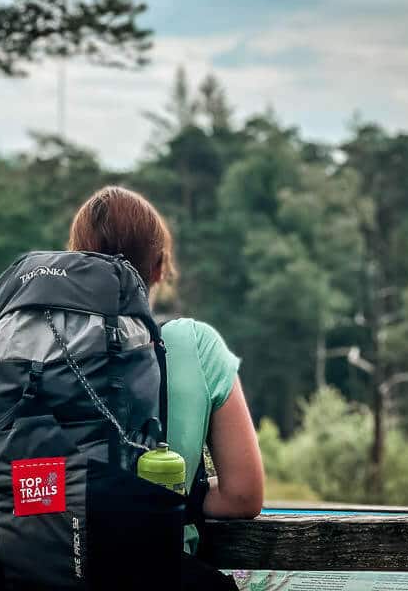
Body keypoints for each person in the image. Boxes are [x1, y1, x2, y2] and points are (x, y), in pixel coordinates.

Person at [66, 185, 264, 537]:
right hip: (155, 563)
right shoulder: (195, 344)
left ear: (74, 261)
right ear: (158, 268)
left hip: (41, 558)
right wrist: (173, 495)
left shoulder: (38, 347)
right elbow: (242, 497)